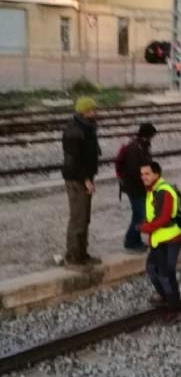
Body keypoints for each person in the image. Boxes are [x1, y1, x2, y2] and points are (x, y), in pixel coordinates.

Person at [139, 162, 181, 322]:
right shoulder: (153, 190)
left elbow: (164, 218)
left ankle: (174, 308)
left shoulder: (163, 192)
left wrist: (145, 228)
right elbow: (154, 215)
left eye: (147, 174)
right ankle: (166, 297)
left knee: (166, 274)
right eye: (142, 174)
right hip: (159, 239)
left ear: (157, 174)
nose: (144, 177)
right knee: (152, 268)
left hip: (170, 239)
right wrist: (148, 226)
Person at [62, 96, 102, 269]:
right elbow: (74, 161)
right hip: (77, 179)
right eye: (93, 109)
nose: (96, 112)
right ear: (84, 111)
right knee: (78, 218)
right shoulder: (74, 131)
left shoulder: (87, 127)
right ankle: (72, 258)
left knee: (85, 218)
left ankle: (82, 254)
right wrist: (85, 180)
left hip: (85, 177)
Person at [118, 123, 157, 253]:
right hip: (135, 187)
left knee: (138, 214)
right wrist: (147, 182)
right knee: (140, 214)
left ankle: (134, 240)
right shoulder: (135, 148)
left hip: (139, 186)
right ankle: (131, 241)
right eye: (152, 136)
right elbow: (135, 171)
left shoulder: (142, 146)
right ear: (147, 135)